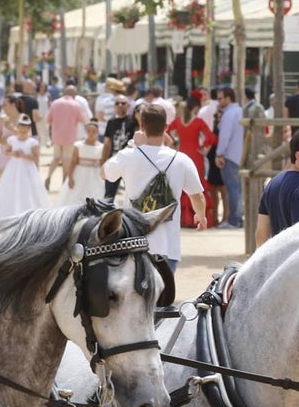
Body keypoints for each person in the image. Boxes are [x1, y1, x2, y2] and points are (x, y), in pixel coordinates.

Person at [102, 105, 207, 271]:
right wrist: (201, 217)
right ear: (166, 128)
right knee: (164, 288)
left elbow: (104, 173)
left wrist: (132, 145)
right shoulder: (182, 160)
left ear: (141, 127)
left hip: (133, 243)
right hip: (168, 246)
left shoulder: (129, 155)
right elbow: (198, 196)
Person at [0, 113, 48, 224]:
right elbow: (7, 151)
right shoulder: (12, 140)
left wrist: (23, 156)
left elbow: (35, 157)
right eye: (21, 127)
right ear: (18, 127)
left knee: (28, 190)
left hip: (27, 168)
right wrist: (13, 154)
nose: (23, 130)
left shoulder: (33, 142)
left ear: (29, 129)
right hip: (14, 167)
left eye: (26, 128)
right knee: (12, 189)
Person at [169, 96, 217, 227]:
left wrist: (173, 144)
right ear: (195, 108)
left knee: (181, 186)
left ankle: (183, 219)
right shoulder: (198, 121)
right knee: (196, 186)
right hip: (196, 156)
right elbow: (211, 137)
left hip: (181, 154)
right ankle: (199, 217)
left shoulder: (178, 121)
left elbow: (166, 131)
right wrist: (204, 149)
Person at [44, 85, 90, 191]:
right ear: (74, 94)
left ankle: (49, 176)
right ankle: (64, 182)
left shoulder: (55, 103)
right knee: (67, 159)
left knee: (56, 158)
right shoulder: (76, 105)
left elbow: (48, 120)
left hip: (56, 135)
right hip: (70, 136)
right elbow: (83, 120)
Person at [214, 87, 245, 229]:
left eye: (220, 98)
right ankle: (237, 218)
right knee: (237, 189)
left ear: (228, 98)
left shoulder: (228, 114)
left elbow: (224, 137)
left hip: (229, 155)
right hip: (239, 154)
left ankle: (234, 220)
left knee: (232, 189)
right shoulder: (239, 111)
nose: (218, 101)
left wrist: (219, 153)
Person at [58, 121, 106, 206]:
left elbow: (102, 163)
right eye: (89, 131)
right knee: (77, 194)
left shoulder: (101, 147)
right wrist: (70, 178)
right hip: (80, 174)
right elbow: (73, 162)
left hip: (95, 175)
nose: (91, 133)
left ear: (98, 132)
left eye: (94, 131)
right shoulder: (79, 145)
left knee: (96, 194)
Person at [102, 93, 138, 201]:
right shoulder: (111, 122)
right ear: (114, 106)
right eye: (117, 103)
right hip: (114, 161)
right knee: (108, 196)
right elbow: (107, 143)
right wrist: (103, 161)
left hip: (130, 162)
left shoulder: (134, 121)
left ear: (128, 105)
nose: (120, 105)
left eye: (123, 103)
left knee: (133, 195)